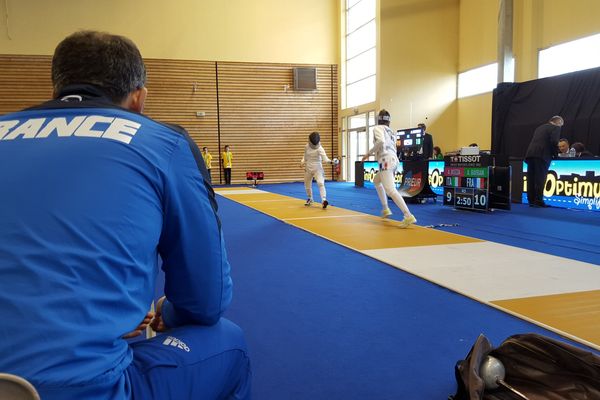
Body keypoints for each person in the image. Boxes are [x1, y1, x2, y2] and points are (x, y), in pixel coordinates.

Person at [0, 31, 250, 400]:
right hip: (88, 390)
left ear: (56, 86)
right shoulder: (164, 142)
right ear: (138, 98)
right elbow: (206, 300)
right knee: (230, 342)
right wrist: (168, 311)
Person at [361, 110, 417, 227]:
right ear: (388, 121)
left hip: (386, 160)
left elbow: (380, 141)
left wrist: (368, 153)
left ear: (379, 119)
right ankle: (386, 208)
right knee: (377, 181)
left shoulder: (377, 128)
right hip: (393, 160)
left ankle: (408, 216)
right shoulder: (391, 131)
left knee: (391, 190)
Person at [524, 115, 564, 207]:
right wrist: (555, 154)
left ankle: (531, 200)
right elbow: (554, 141)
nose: (561, 127)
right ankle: (539, 201)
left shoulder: (540, 127)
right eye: (561, 125)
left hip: (530, 154)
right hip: (542, 156)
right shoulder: (556, 128)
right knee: (540, 178)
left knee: (531, 178)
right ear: (558, 122)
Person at [301, 131, 333, 209]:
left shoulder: (320, 148)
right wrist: (302, 162)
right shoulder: (307, 146)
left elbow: (325, 159)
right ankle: (310, 198)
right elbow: (305, 157)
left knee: (320, 183)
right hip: (308, 168)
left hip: (317, 168)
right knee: (307, 185)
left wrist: (331, 162)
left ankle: (324, 200)